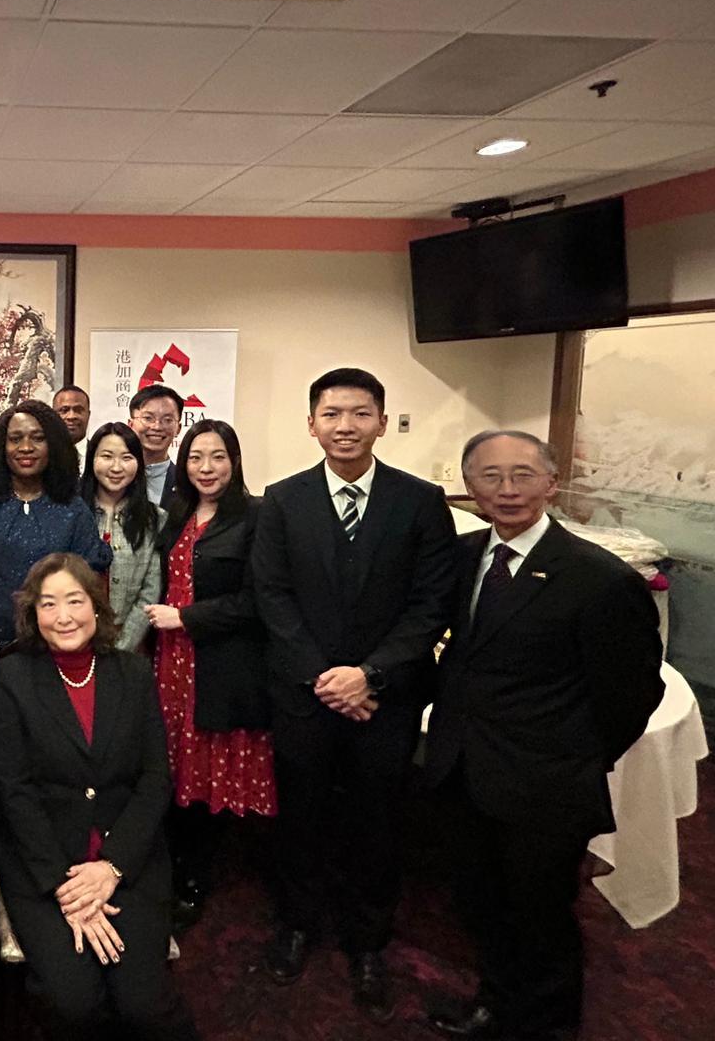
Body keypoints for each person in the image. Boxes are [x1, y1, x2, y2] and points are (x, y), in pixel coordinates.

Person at [423, 431, 663, 1041]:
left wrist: (572, 757)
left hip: (546, 785)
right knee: (478, 901)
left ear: (552, 484)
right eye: (490, 476)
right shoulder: (461, 556)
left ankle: (548, 1027)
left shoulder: (599, 578)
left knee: (542, 916)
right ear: (469, 487)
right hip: (463, 769)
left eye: (523, 474)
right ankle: (494, 1003)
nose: (507, 489)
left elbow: (633, 695)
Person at [251, 368, 456, 1023]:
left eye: (360, 413)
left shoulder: (421, 501)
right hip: (304, 695)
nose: (346, 426)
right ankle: (297, 924)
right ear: (311, 424)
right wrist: (326, 678)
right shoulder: (282, 500)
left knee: (379, 822)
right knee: (300, 817)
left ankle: (368, 942)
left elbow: (432, 603)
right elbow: (272, 597)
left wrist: (371, 675)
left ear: (382, 421)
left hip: (385, 700)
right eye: (332, 414)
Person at [0, 554, 199, 1041]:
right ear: (33, 614)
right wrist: (67, 890)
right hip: (45, 866)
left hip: (128, 858)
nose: (63, 616)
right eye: (48, 604)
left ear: (97, 607)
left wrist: (112, 867)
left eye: (75, 601)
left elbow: (155, 778)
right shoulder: (12, 677)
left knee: (143, 1006)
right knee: (75, 1004)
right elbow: (14, 791)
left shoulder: (133, 673)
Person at [143, 420, 274, 923]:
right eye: (196, 457)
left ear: (234, 462)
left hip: (220, 663)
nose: (206, 468)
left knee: (206, 772)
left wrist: (187, 618)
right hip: (169, 661)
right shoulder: (176, 514)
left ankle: (196, 875)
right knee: (172, 767)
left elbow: (258, 601)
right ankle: (173, 866)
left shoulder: (255, 516)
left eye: (218, 457)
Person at [0, 401, 112, 664]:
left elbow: (88, 586)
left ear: (54, 445)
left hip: (57, 652)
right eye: (15, 439)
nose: (26, 447)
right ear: (1, 447)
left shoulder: (73, 508)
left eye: (38, 438)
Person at [79, 422, 161, 652]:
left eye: (126, 458)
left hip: (130, 647)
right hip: (72, 639)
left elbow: (150, 591)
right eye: (107, 456)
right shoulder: (72, 513)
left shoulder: (155, 519)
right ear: (92, 459)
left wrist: (122, 647)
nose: (116, 467)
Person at [128, 386, 184, 507]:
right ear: (130, 424)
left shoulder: (185, 484)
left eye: (167, 420)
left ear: (178, 428)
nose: (157, 427)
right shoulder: (114, 475)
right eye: (148, 418)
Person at [53, 385, 92, 467]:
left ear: (88, 415)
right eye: (64, 410)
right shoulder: (43, 456)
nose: (71, 416)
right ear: (53, 415)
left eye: (78, 410)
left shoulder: (98, 454)